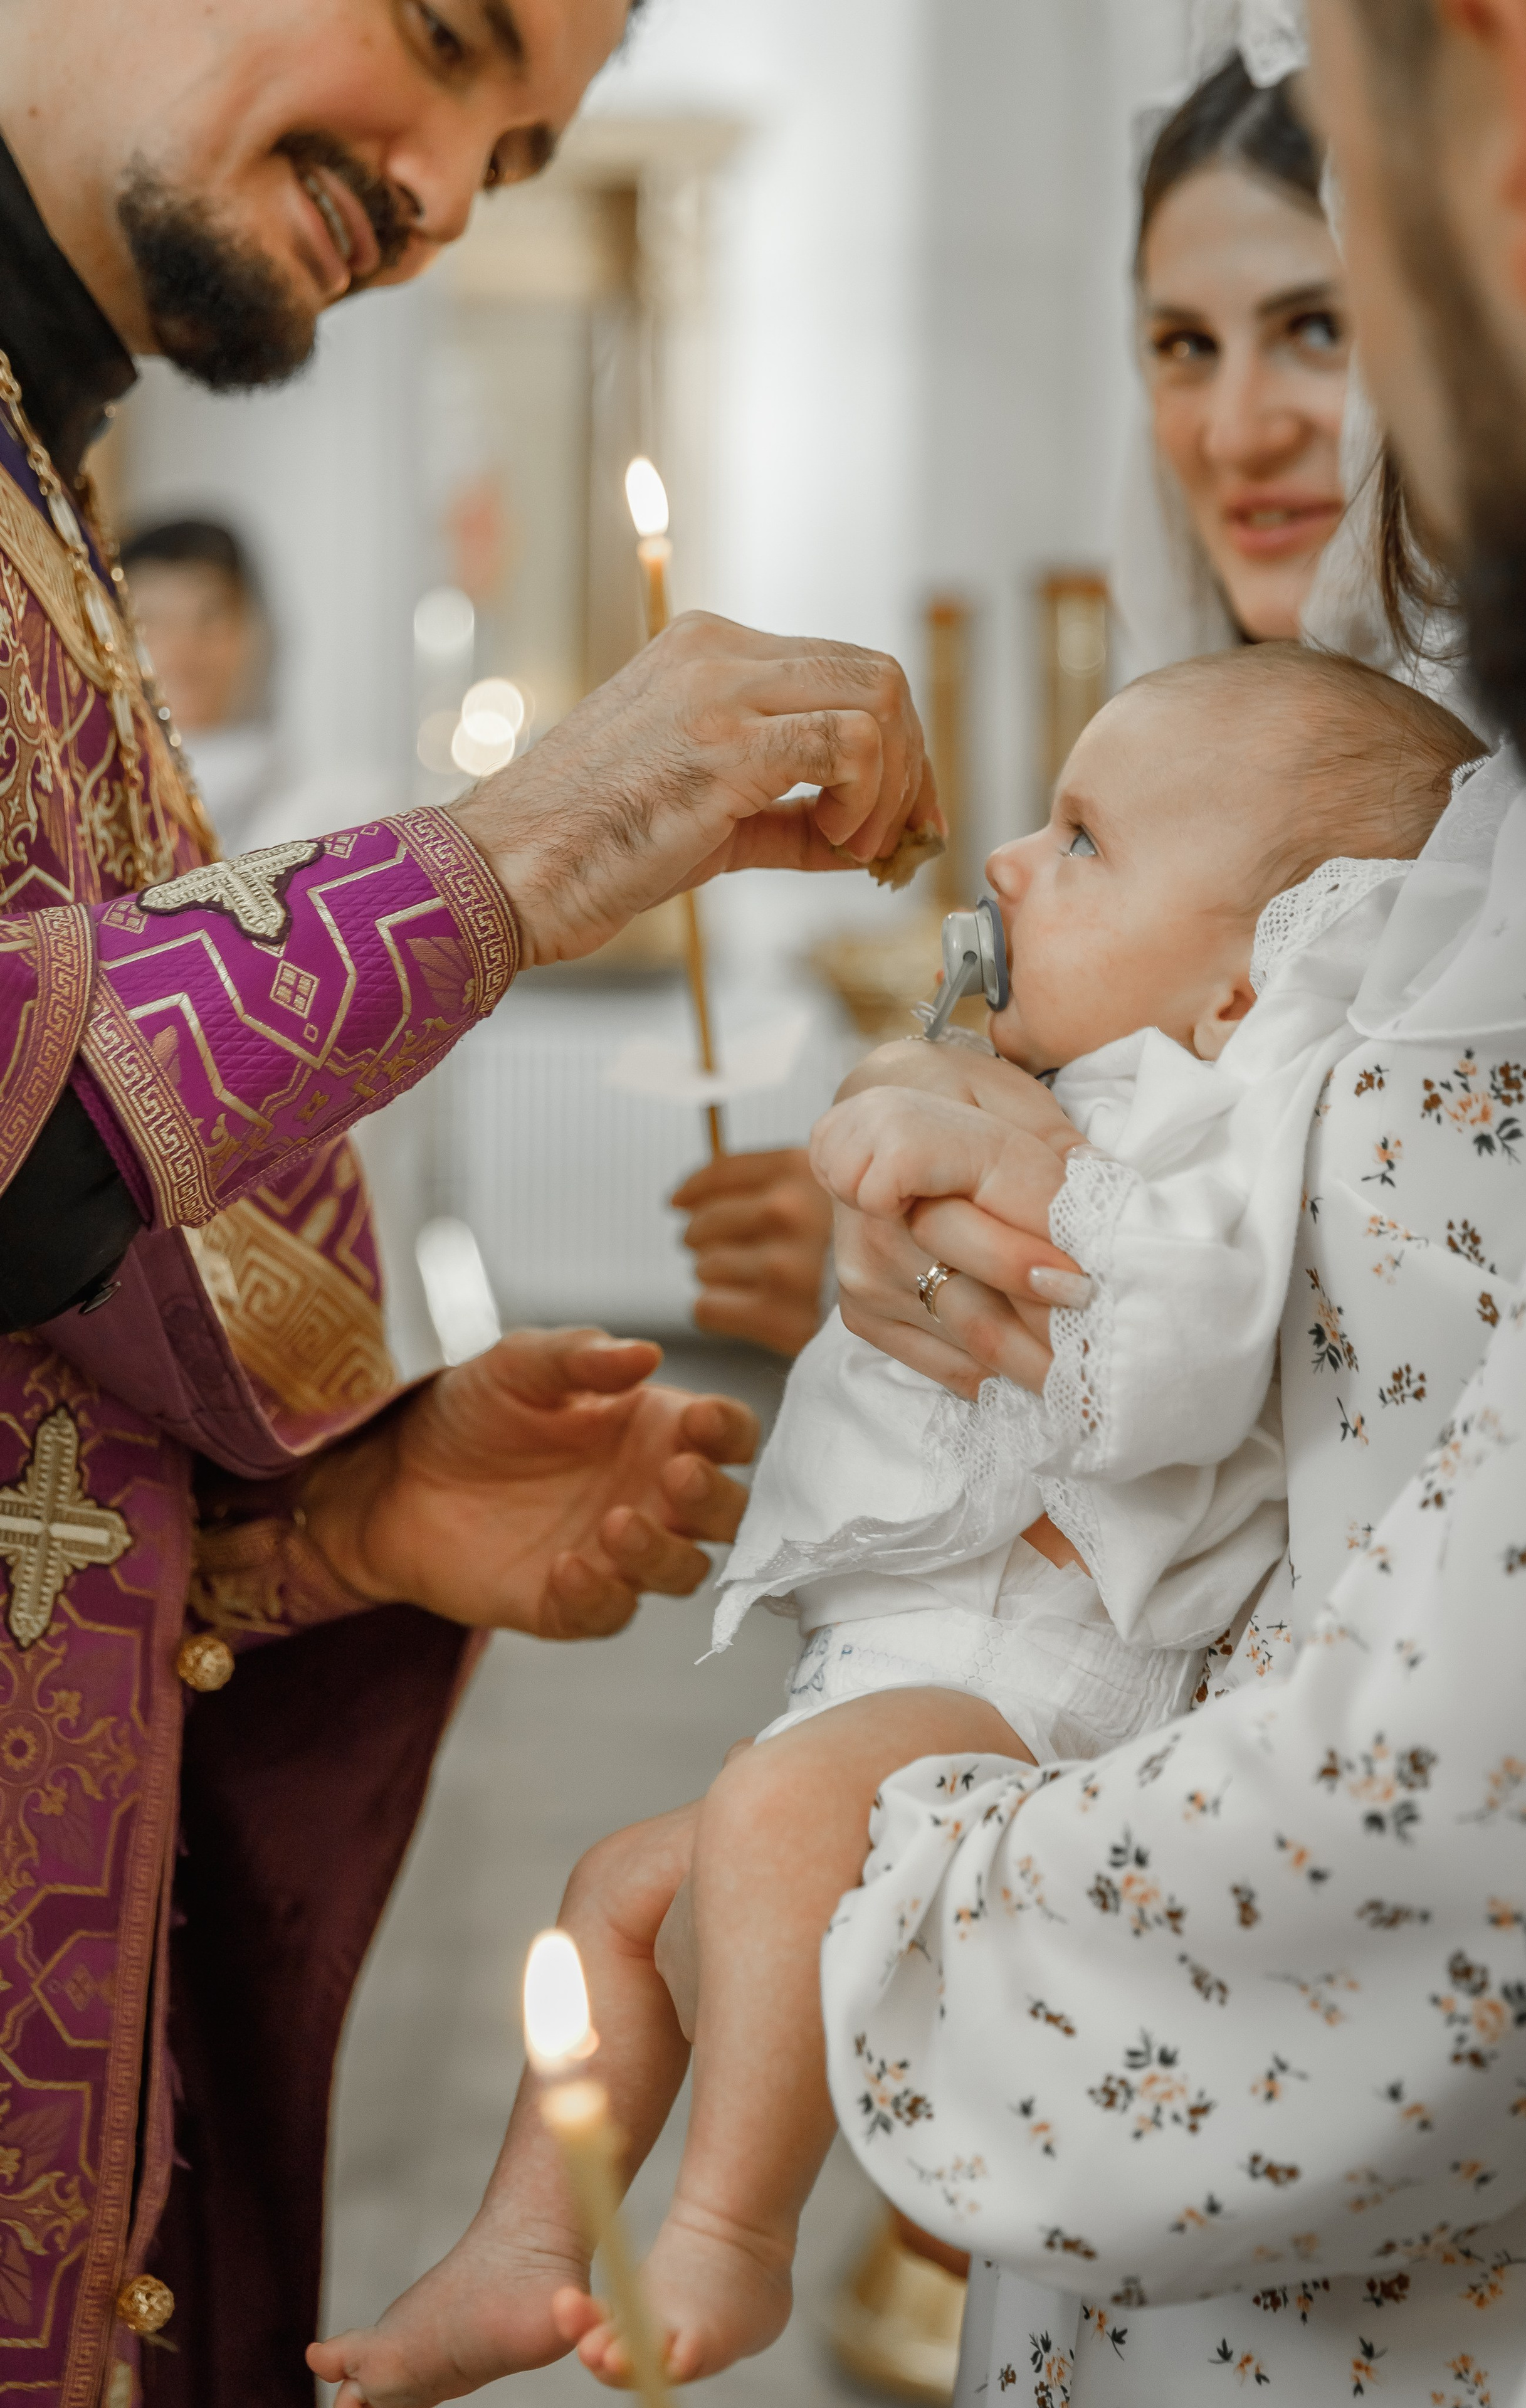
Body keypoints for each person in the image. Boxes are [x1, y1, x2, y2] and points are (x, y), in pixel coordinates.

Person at [0, 4, 941, 2400]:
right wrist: (530, 846)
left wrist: (343, 1531)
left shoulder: (46, 507)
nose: (432, 192)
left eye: (513, 162)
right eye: (442, 39)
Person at [308, 642, 1483, 2400]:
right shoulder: (1090, 1087)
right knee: (618, 1893)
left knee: (772, 1814)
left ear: (1242, 989)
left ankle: (734, 2231)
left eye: (1081, 841)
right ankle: (521, 2247)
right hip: (933, 1661)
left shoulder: (1210, 1138)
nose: (1009, 859)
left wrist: (1025, 1178)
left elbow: (1174, 1365)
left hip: (1038, 1681)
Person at [777, 3, 1526, 2400]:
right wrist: (943, 1154)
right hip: (1154, 2004)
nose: (1258, 421)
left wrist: (883, 1890)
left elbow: (1458, 1837)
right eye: (1180, 342)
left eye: (1331, 306)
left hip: (1309, 2102)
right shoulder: (1356, 790)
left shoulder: (1474, 848)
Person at [677, 55, 1358, 1374]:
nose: (1232, 431)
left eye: (1316, 328)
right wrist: (923, 1214)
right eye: (1183, 346)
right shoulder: (1192, 748)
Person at [118, 517, 278, 853]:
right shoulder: (92, 807)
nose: (183, 652)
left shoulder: (333, 810)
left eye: (210, 618)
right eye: (152, 622)